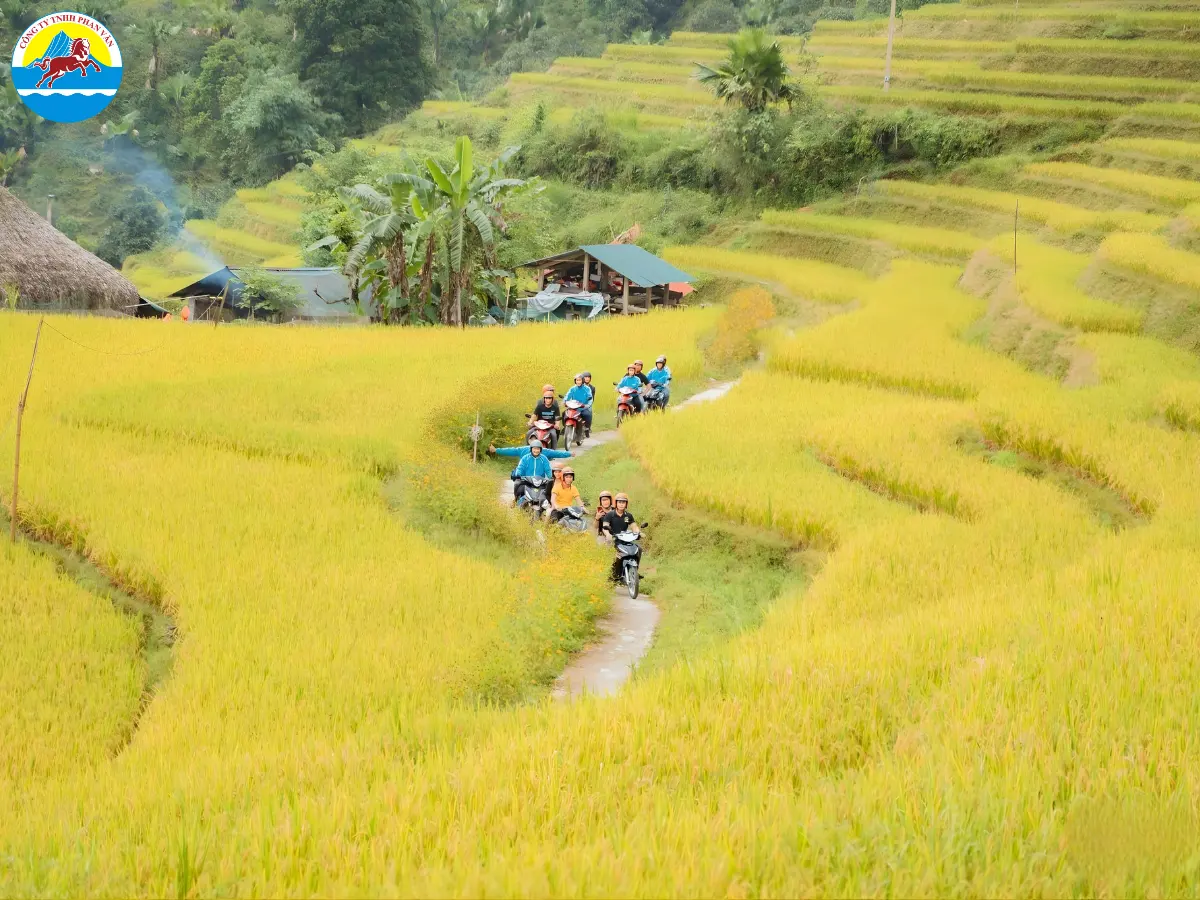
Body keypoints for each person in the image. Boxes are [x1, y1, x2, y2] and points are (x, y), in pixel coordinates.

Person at [490, 440, 571, 505]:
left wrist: (551, 477)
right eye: (534, 448)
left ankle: (550, 505)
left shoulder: (544, 458)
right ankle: (516, 499)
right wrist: (518, 474)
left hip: (540, 481)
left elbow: (548, 469)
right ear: (530, 448)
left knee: (549, 489)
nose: (536, 450)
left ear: (541, 449)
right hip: (527, 480)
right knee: (517, 485)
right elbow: (520, 466)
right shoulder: (525, 457)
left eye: (538, 449)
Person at [599, 492, 639, 581]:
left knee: (638, 549)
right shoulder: (610, 514)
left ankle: (635, 571)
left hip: (625, 540)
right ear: (616, 503)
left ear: (626, 504)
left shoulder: (628, 516)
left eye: (623, 502)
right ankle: (611, 574)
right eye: (619, 502)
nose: (621, 504)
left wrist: (638, 532)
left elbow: (634, 526)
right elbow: (605, 527)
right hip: (613, 540)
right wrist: (608, 534)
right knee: (612, 555)